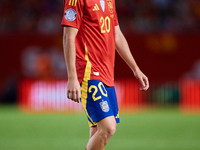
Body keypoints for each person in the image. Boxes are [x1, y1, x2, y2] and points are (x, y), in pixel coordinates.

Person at [61, 0, 149, 150]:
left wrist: (135, 68)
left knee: (98, 131)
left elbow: (117, 34)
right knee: (109, 128)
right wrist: (72, 77)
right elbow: (68, 36)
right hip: (89, 72)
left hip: (107, 74)